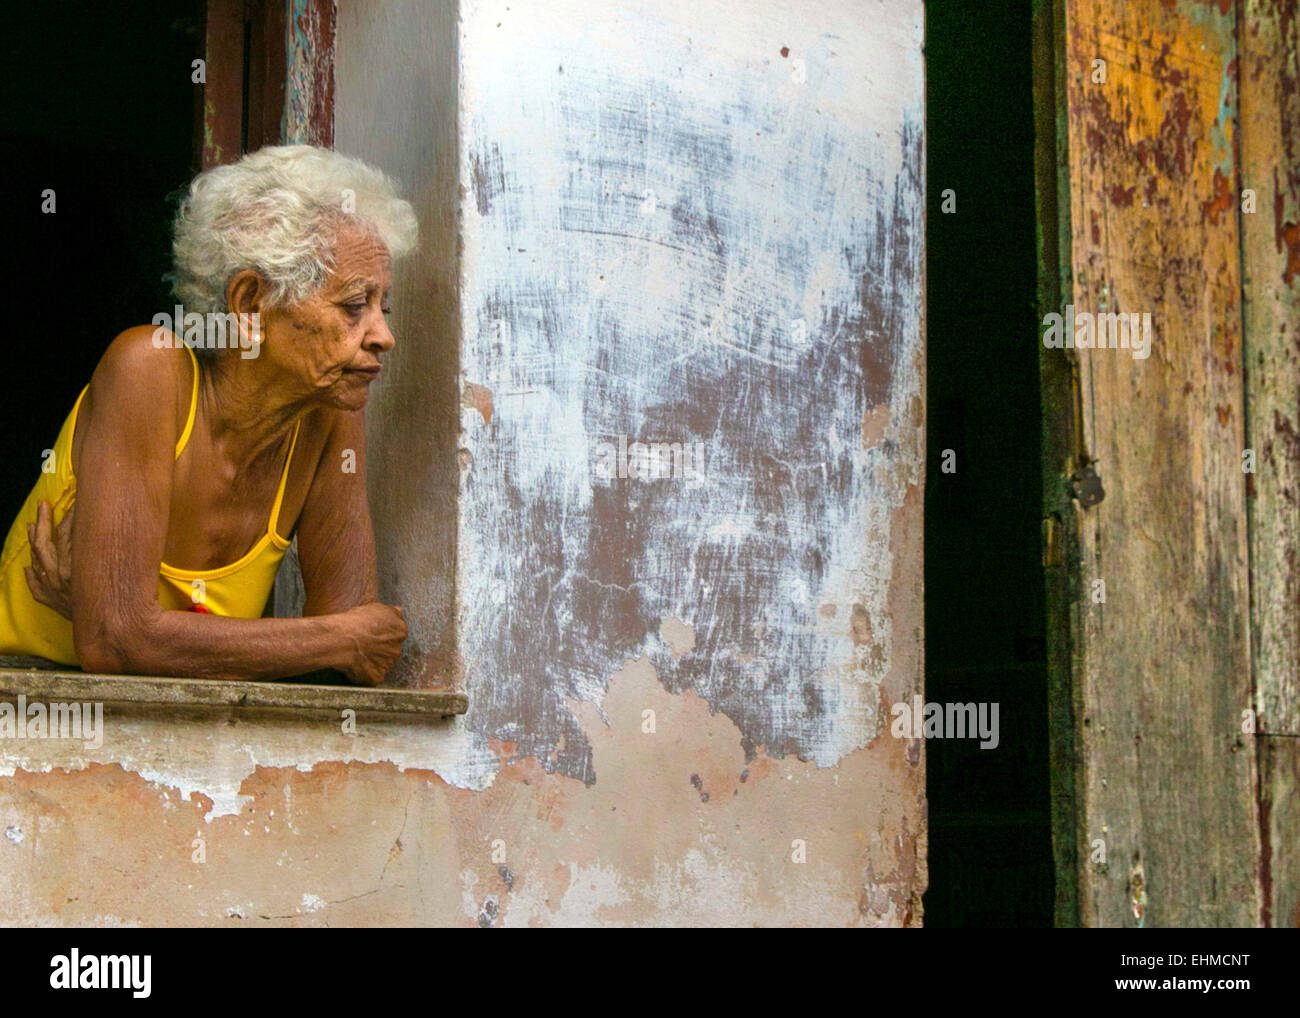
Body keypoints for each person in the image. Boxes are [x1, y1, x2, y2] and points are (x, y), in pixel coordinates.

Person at [0, 145, 417, 685]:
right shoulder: (148, 369)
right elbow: (115, 642)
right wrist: (333, 638)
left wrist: (146, 630)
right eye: (354, 306)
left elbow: (357, 666)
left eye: (384, 307)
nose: (383, 335)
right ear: (249, 304)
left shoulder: (329, 407)